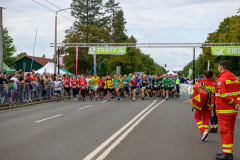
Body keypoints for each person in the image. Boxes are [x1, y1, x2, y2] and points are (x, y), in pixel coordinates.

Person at [215, 60, 240, 160]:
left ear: (221, 68)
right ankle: (227, 152)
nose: (217, 69)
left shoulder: (221, 79)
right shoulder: (235, 78)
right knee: (230, 131)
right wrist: (237, 102)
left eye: (218, 67)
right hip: (233, 110)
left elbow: (223, 94)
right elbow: (238, 92)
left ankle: (227, 155)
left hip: (224, 110)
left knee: (225, 132)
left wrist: (233, 102)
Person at [193, 70, 215, 142]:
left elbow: (194, 88)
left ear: (204, 76)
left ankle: (203, 132)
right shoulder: (214, 84)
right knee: (206, 120)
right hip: (210, 105)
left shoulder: (201, 83)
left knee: (197, 117)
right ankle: (204, 136)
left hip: (201, 104)